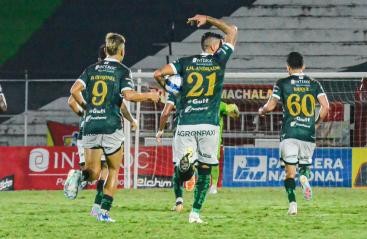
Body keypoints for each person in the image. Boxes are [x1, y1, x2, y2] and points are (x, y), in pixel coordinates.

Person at [64, 33, 160, 222]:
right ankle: (103, 212)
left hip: (91, 125)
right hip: (111, 126)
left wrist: (87, 107)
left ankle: (78, 175)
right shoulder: (122, 71)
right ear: (122, 51)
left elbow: (73, 91)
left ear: (106, 49)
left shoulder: (91, 69)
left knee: (92, 173)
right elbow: (129, 96)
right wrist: (150, 96)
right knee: (113, 169)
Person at [154, 14, 238, 223]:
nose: (221, 47)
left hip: (186, 123)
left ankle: (187, 166)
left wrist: (176, 92)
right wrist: (207, 18)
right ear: (212, 47)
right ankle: (195, 213)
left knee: (183, 172)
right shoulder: (219, 60)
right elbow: (233, 30)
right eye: (219, 44)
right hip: (209, 124)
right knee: (205, 170)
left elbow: (157, 73)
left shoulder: (185, 63)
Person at [66, 43, 138, 217]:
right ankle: (100, 209)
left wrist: (85, 111)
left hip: (88, 129)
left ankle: (95, 205)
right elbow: (120, 104)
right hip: (108, 127)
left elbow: (71, 100)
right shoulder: (115, 75)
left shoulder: (91, 74)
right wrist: (131, 119)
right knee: (107, 170)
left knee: (93, 174)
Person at [258, 52, 330, 215]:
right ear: (303, 66)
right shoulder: (314, 83)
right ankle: (304, 178)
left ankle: (293, 205)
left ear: (287, 67)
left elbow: (270, 107)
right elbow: (326, 107)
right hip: (307, 133)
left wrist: (261, 111)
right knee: (304, 166)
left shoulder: (282, 83)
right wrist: (316, 123)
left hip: (289, 133)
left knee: (289, 173)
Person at [209, 101, 239, 194]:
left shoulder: (220, 104)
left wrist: (234, 110)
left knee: (214, 161)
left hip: (215, 138)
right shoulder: (202, 103)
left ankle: (213, 186)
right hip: (201, 135)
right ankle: (200, 183)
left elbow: (233, 110)